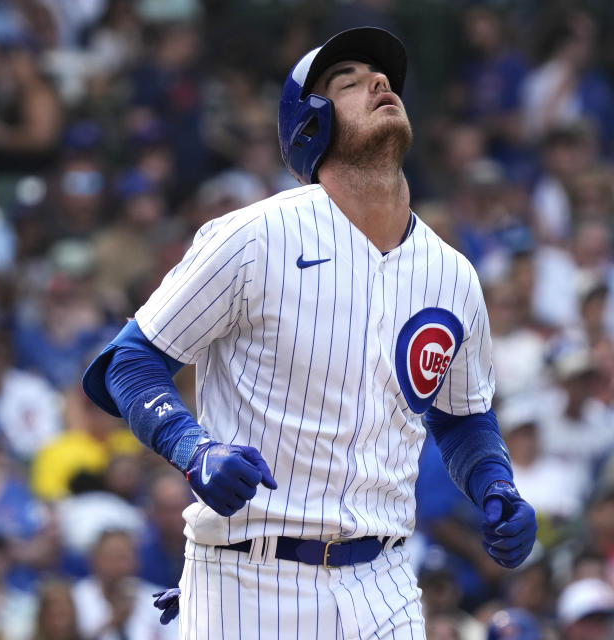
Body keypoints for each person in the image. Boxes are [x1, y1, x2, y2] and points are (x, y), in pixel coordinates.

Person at [82, 26, 537, 638]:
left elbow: (460, 417)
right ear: (310, 126)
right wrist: (196, 452)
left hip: (386, 579)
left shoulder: (452, 274)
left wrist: (494, 483)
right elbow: (127, 362)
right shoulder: (253, 237)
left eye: (383, 80)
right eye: (347, 82)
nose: (378, 83)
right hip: (247, 578)